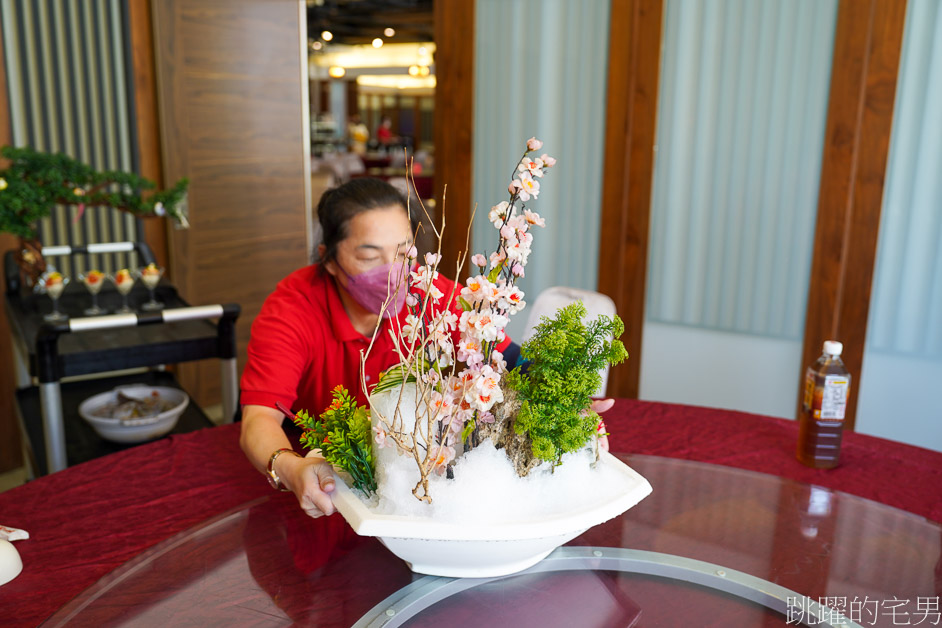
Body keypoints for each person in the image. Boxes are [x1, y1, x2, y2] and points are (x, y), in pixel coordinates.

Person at [239, 178, 517, 519]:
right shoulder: (293, 309)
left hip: (412, 482)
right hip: (324, 480)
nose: (393, 273)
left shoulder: (429, 295)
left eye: (403, 253)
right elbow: (259, 417)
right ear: (328, 259)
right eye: (370, 256)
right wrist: (289, 468)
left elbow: (508, 358)